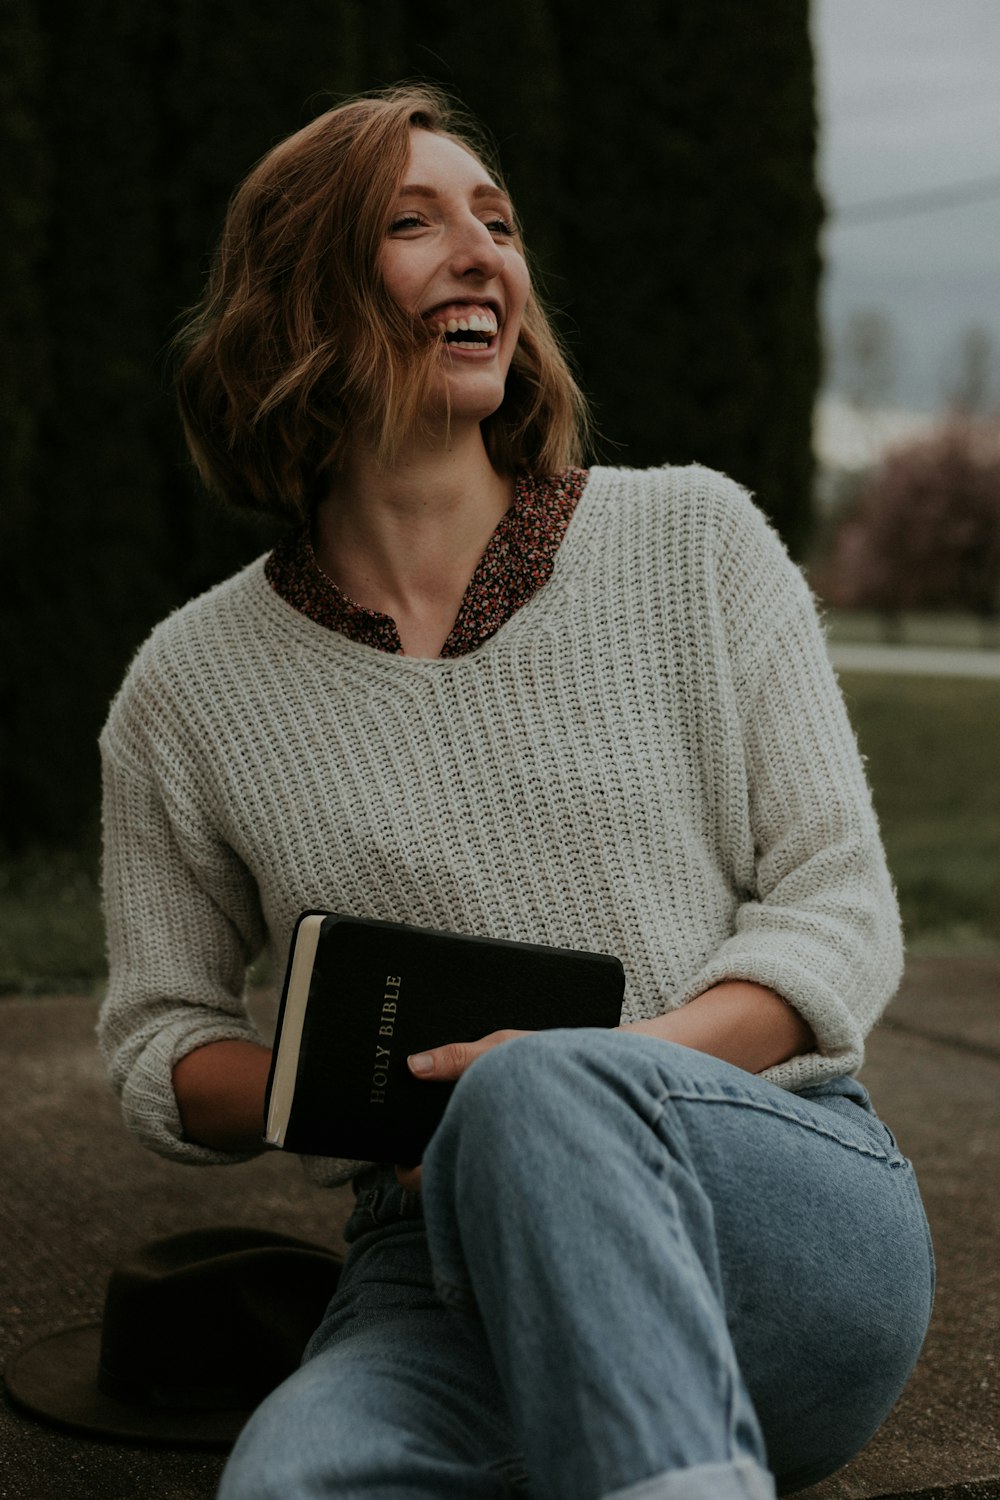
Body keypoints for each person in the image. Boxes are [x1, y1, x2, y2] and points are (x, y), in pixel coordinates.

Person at [98, 85, 934, 1500]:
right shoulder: (187, 688)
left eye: (498, 222)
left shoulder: (697, 538)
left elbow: (835, 910)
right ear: (296, 294)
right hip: (434, 1268)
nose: (483, 252)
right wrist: (381, 1099)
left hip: (772, 1203)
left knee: (545, 1088)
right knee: (284, 1485)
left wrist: (581, 1085)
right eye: (413, 224)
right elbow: (159, 1043)